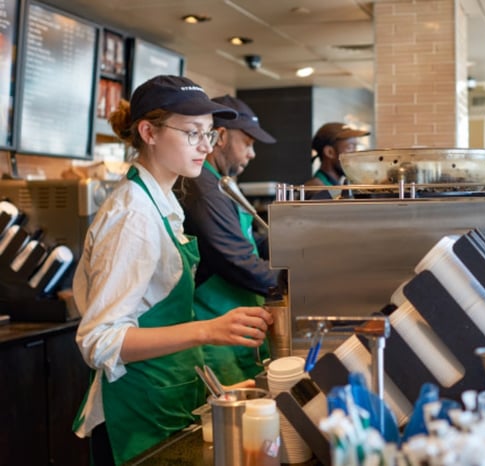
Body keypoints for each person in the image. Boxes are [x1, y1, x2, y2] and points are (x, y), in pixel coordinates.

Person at [71, 75, 274, 465]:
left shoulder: (163, 200)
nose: (205, 146)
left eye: (210, 134)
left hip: (168, 392)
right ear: (148, 132)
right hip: (138, 406)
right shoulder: (132, 215)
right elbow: (100, 341)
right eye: (192, 133)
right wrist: (209, 330)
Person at [176, 95, 285, 385]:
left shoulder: (220, 183)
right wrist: (293, 277)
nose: (252, 154)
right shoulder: (203, 190)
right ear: (221, 137)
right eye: (247, 143)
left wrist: (294, 244)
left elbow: (250, 241)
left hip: (236, 330)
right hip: (216, 338)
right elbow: (237, 260)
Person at [305, 122, 370, 198]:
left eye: (355, 148)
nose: (355, 155)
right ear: (330, 152)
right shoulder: (317, 190)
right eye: (350, 148)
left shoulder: (335, 187)